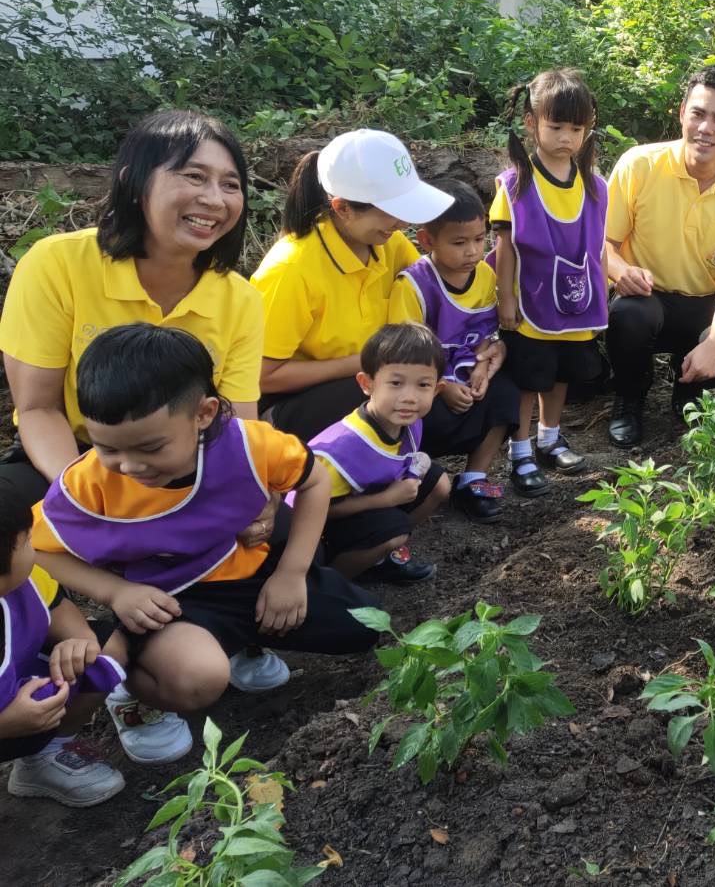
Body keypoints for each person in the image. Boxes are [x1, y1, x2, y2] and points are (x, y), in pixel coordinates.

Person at [0, 109, 287, 700]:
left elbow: (237, 421)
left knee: (277, 524)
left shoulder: (238, 297)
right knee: (13, 530)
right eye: (193, 176)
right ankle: (45, 666)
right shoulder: (57, 263)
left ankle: (181, 643)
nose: (215, 198)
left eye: (230, 183)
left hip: (183, 456)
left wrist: (255, 494)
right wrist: (95, 495)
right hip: (74, 455)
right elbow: (37, 408)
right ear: (134, 179)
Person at [32, 325, 379, 761]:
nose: (130, 465)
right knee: (197, 679)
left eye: (151, 447)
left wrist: (291, 573)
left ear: (204, 413)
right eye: (107, 448)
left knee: (368, 627)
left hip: (252, 572)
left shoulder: (251, 445)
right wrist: (116, 592)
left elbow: (314, 481)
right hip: (171, 599)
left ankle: (244, 643)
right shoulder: (88, 482)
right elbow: (39, 548)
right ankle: (136, 690)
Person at [250, 129, 454, 447]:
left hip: (367, 384)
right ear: (342, 207)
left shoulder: (389, 243)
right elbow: (262, 376)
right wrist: (363, 362)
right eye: (390, 210)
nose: (402, 222)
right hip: (291, 409)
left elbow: (436, 292)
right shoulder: (291, 270)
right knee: (377, 390)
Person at [604, 65, 715, 447]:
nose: (706, 128)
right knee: (628, 316)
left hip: (707, 304)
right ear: (682, 112)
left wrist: (714, 342)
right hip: (649, 297)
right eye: (698, 113)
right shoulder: (639, 164)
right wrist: (621, 271)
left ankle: (689, 389)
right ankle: (629, 397)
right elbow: (603, 244)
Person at [490, 70, 608, 494]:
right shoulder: (515, 185)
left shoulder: (595, 187)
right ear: (530, 122)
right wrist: (505, 299)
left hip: (578, 303)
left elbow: (599, 248)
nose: (566, 137)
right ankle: (519, 451)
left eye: (576, 128)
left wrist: (602, 296)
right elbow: (504, 247)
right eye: (555, 126)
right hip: (530, 305)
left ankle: (549, 438)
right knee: (528, 378)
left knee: (561, 376)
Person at [389, 181, 518, 522]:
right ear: (427, 240)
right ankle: (411, 479)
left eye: (480, 239)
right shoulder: (413, 285)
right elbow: (406, 355)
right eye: (459, 243)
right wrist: (443, 386)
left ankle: (473, 478)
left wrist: (483, 366)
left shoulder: (486, 275)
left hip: (469, 381)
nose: (473, 252)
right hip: (427, 391)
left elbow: (486, 335)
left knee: (506, 394)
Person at [1, 483, 129, 807]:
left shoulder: (26, 579)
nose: (34, 545)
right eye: (27, 540)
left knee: (102, 652)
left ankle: (45, 756)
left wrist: (79, 640)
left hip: (25, 694)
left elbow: (55, 604)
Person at [308, 324, 451, 584]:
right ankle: (330, 583)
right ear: (367, 383)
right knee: (393, 532)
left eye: (423, 385)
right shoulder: (340, 449)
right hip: (319, 527)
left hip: (371, 498)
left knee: (439, 485)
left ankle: (380, 557)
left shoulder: (409, 421)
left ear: (437, 390)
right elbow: (313, 509)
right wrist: (385, 499)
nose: (409, 397)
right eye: (395, 383)